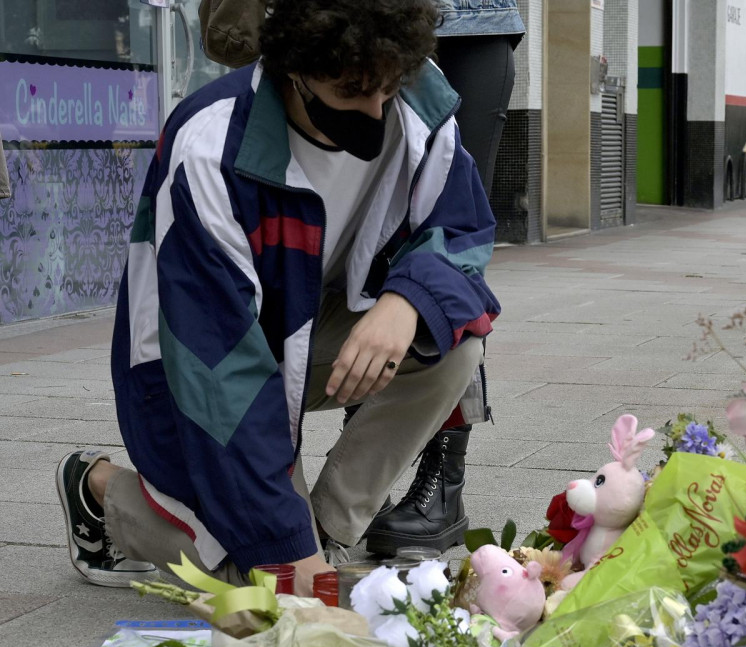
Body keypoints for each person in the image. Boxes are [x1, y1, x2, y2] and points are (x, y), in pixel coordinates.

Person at [55, 0, 500, 595]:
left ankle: (327, 530)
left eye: (387, 90)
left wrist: (407, 301)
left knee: (454, 343)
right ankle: (99, 488)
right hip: (192, 368)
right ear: (294, 72)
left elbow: (463, 227)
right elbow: (223, 377)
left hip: (311, 327)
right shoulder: (212, 146)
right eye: (350, 92)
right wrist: (281, 549)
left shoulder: (414, 95)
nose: (375, 110)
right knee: (256, 584)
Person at [361, 0, 525, 558]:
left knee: (445, 261)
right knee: (366, 248)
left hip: (473, 26)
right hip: (356, 21)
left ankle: (443, 485)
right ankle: (367, 473)